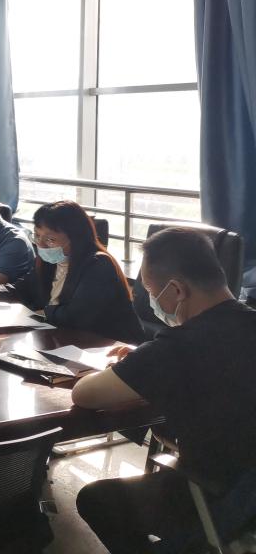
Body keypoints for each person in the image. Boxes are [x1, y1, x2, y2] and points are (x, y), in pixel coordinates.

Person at [73, 228, 256, 552]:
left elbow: (84, 394)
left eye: (149, 290)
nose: (150, 300)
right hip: (245, 485)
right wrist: (143, 360)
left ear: (176, 290)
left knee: (96, 499)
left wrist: (137, 365)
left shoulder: (177, 346)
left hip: (223, 497)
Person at [0, 201, 143, 343]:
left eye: (50, 239)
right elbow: (21, 290)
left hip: (109, 348)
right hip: (63, 342)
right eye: (37, 235)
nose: (40, 244)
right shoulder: (51, 261)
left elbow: (76, 316)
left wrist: (37, 313)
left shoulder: (98, 264)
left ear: (75, 238)